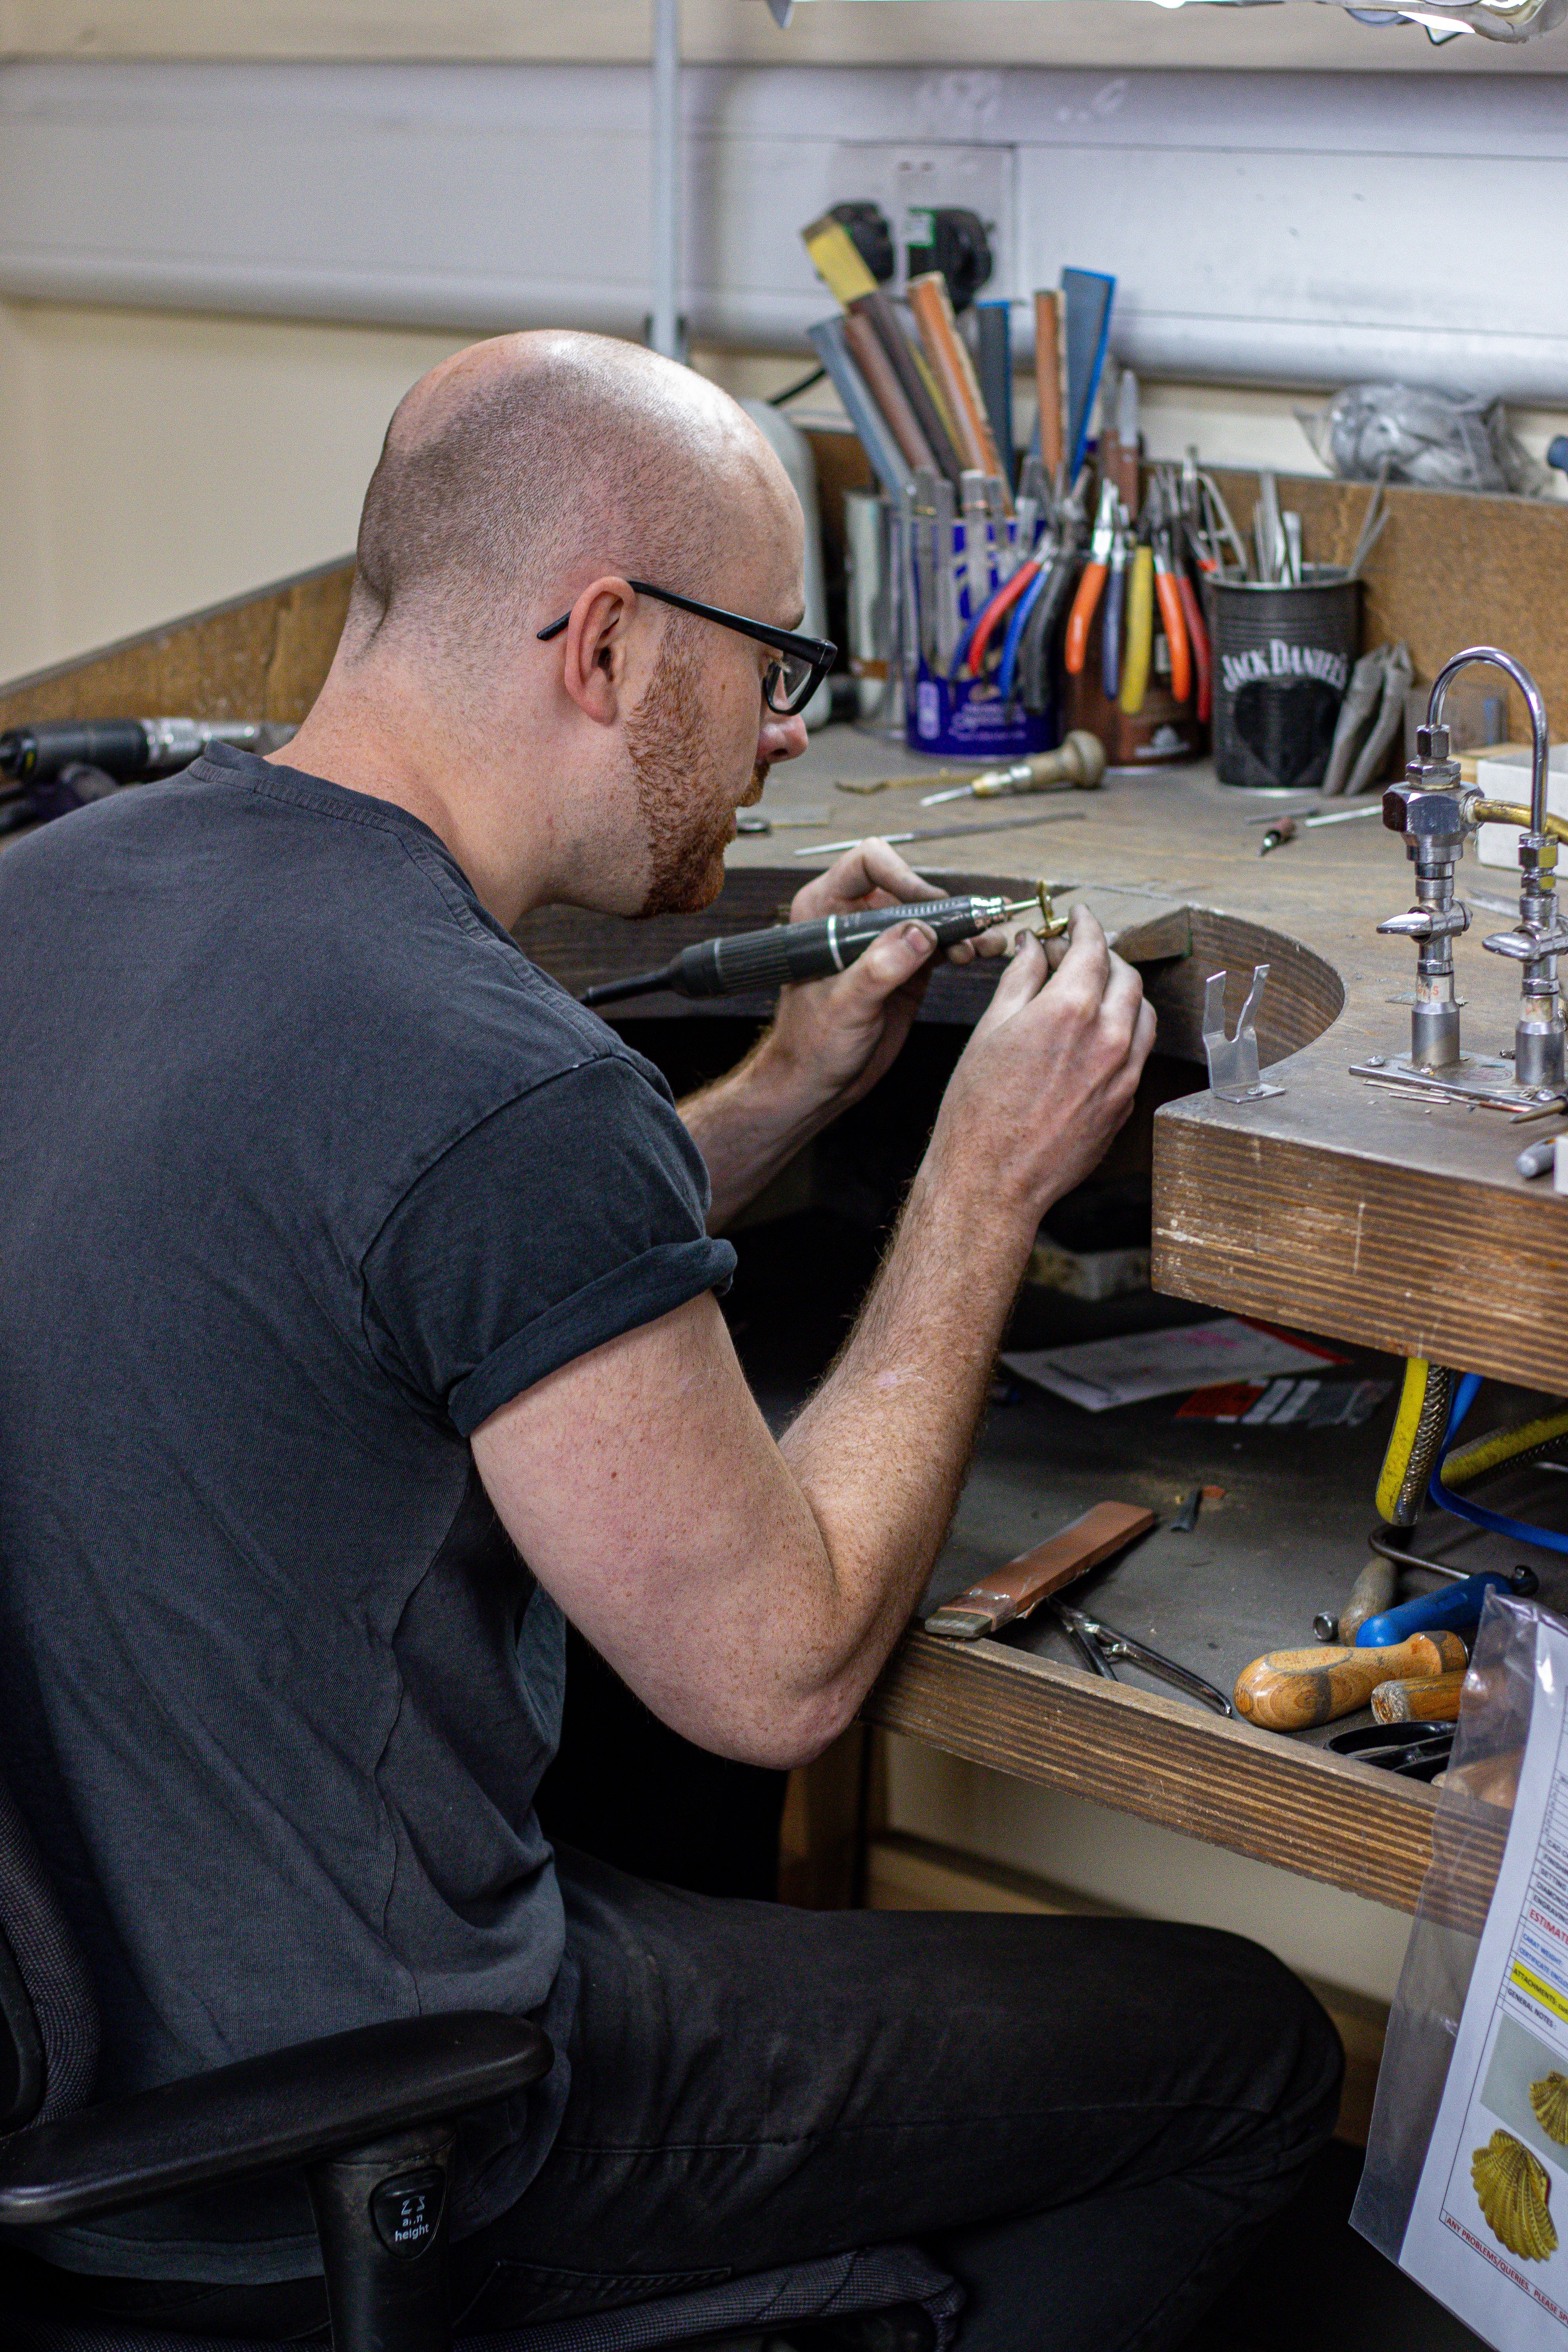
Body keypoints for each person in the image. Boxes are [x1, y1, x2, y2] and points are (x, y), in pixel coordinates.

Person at [0, 330, 1339, 2345]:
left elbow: (403, 1275)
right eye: (776, 668)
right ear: (610, 646)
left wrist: (791, 1091)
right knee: (1242, 2058)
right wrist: (980, 1183)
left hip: (104, 2030)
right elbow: (776, 1675)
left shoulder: (64, 895)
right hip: (355, 2113)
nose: (791, 740)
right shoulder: (498, 1076)